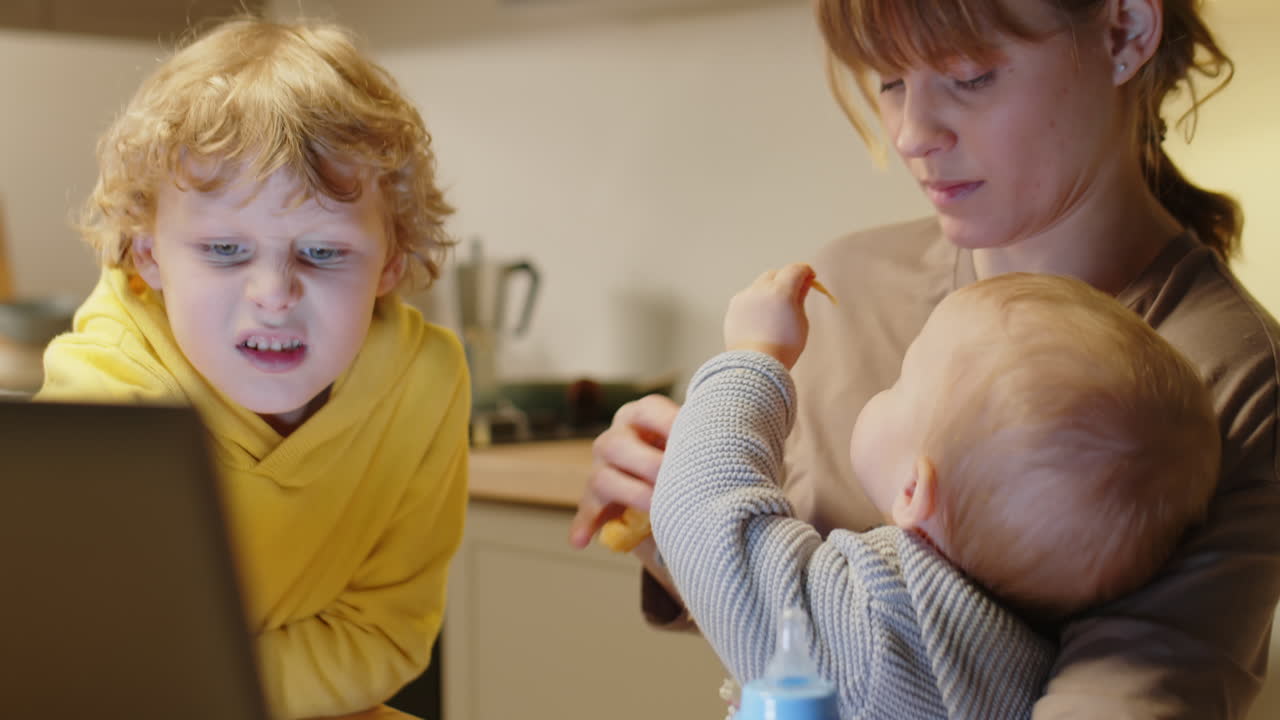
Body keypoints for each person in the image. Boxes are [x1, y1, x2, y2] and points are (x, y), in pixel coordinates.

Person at [570, 0, 1280, 716]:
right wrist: (665, 522)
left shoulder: (1229, 373)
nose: (912, 134)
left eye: (968, 76)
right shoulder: (842, 286)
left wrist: (709, 518)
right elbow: (823, 633)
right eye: (888, 81)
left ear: (1124, 30)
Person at [36, 18, 469, 719]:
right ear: (148, 255)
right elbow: (105, 663)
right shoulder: (103, 403)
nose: (273, 295)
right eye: (225, 251)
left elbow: (387, 634)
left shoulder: (427, 384)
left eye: (323, 253)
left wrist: (199, 681)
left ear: (392, 261)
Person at [652, 264, 1219, 718]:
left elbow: (705, 521)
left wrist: (754, 356)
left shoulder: (880, 635)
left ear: (913, 489)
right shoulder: (1024, 662)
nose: (884, 384)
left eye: (903, 379)